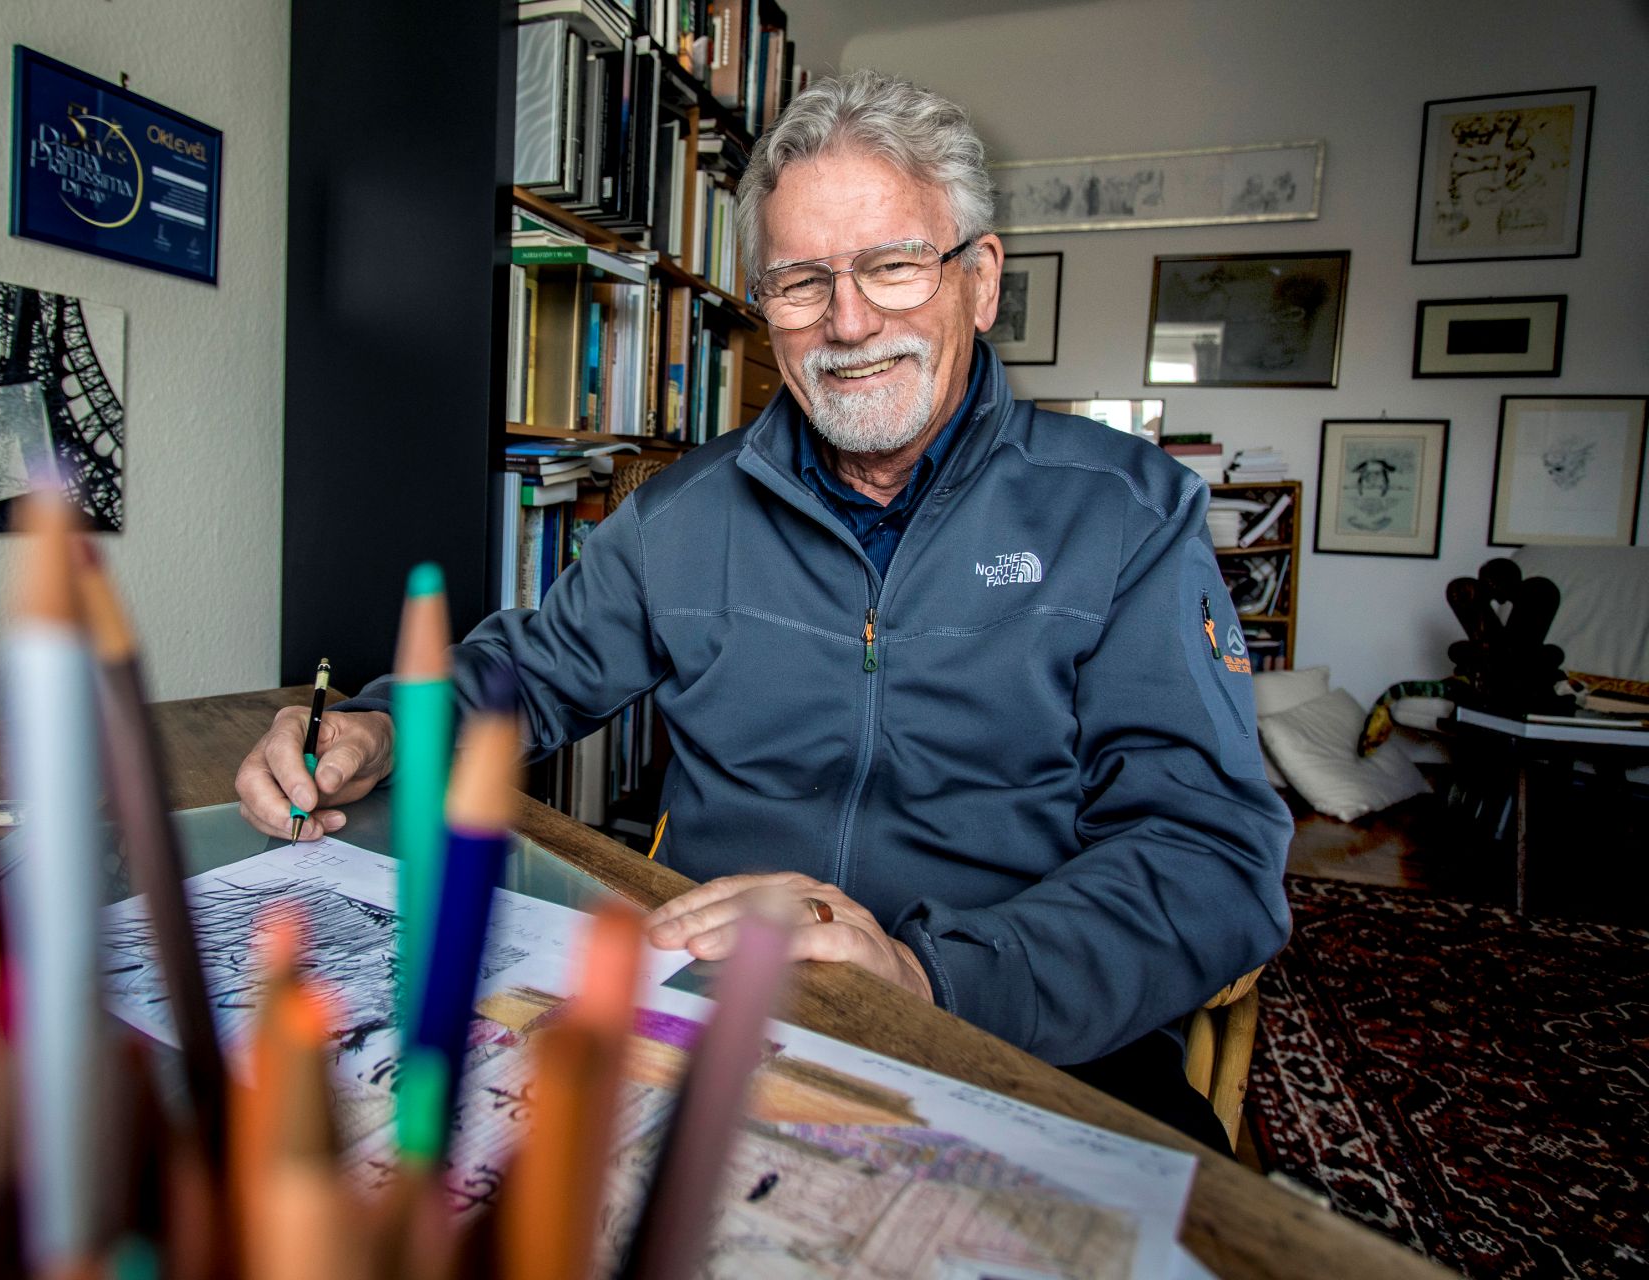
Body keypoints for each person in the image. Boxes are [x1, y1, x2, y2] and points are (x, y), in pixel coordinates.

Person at [237, 70, 1292, 1151]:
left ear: (979, 280)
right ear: (764, 308)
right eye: (801, 282)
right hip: (711, 1014)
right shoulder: (682, 513)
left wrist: (922, 974)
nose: (849, 321)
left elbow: (1209, 863)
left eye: (892, 266)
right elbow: (528, 675)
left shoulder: (1128, 514)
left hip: (1020, 1030)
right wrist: (378, 727)